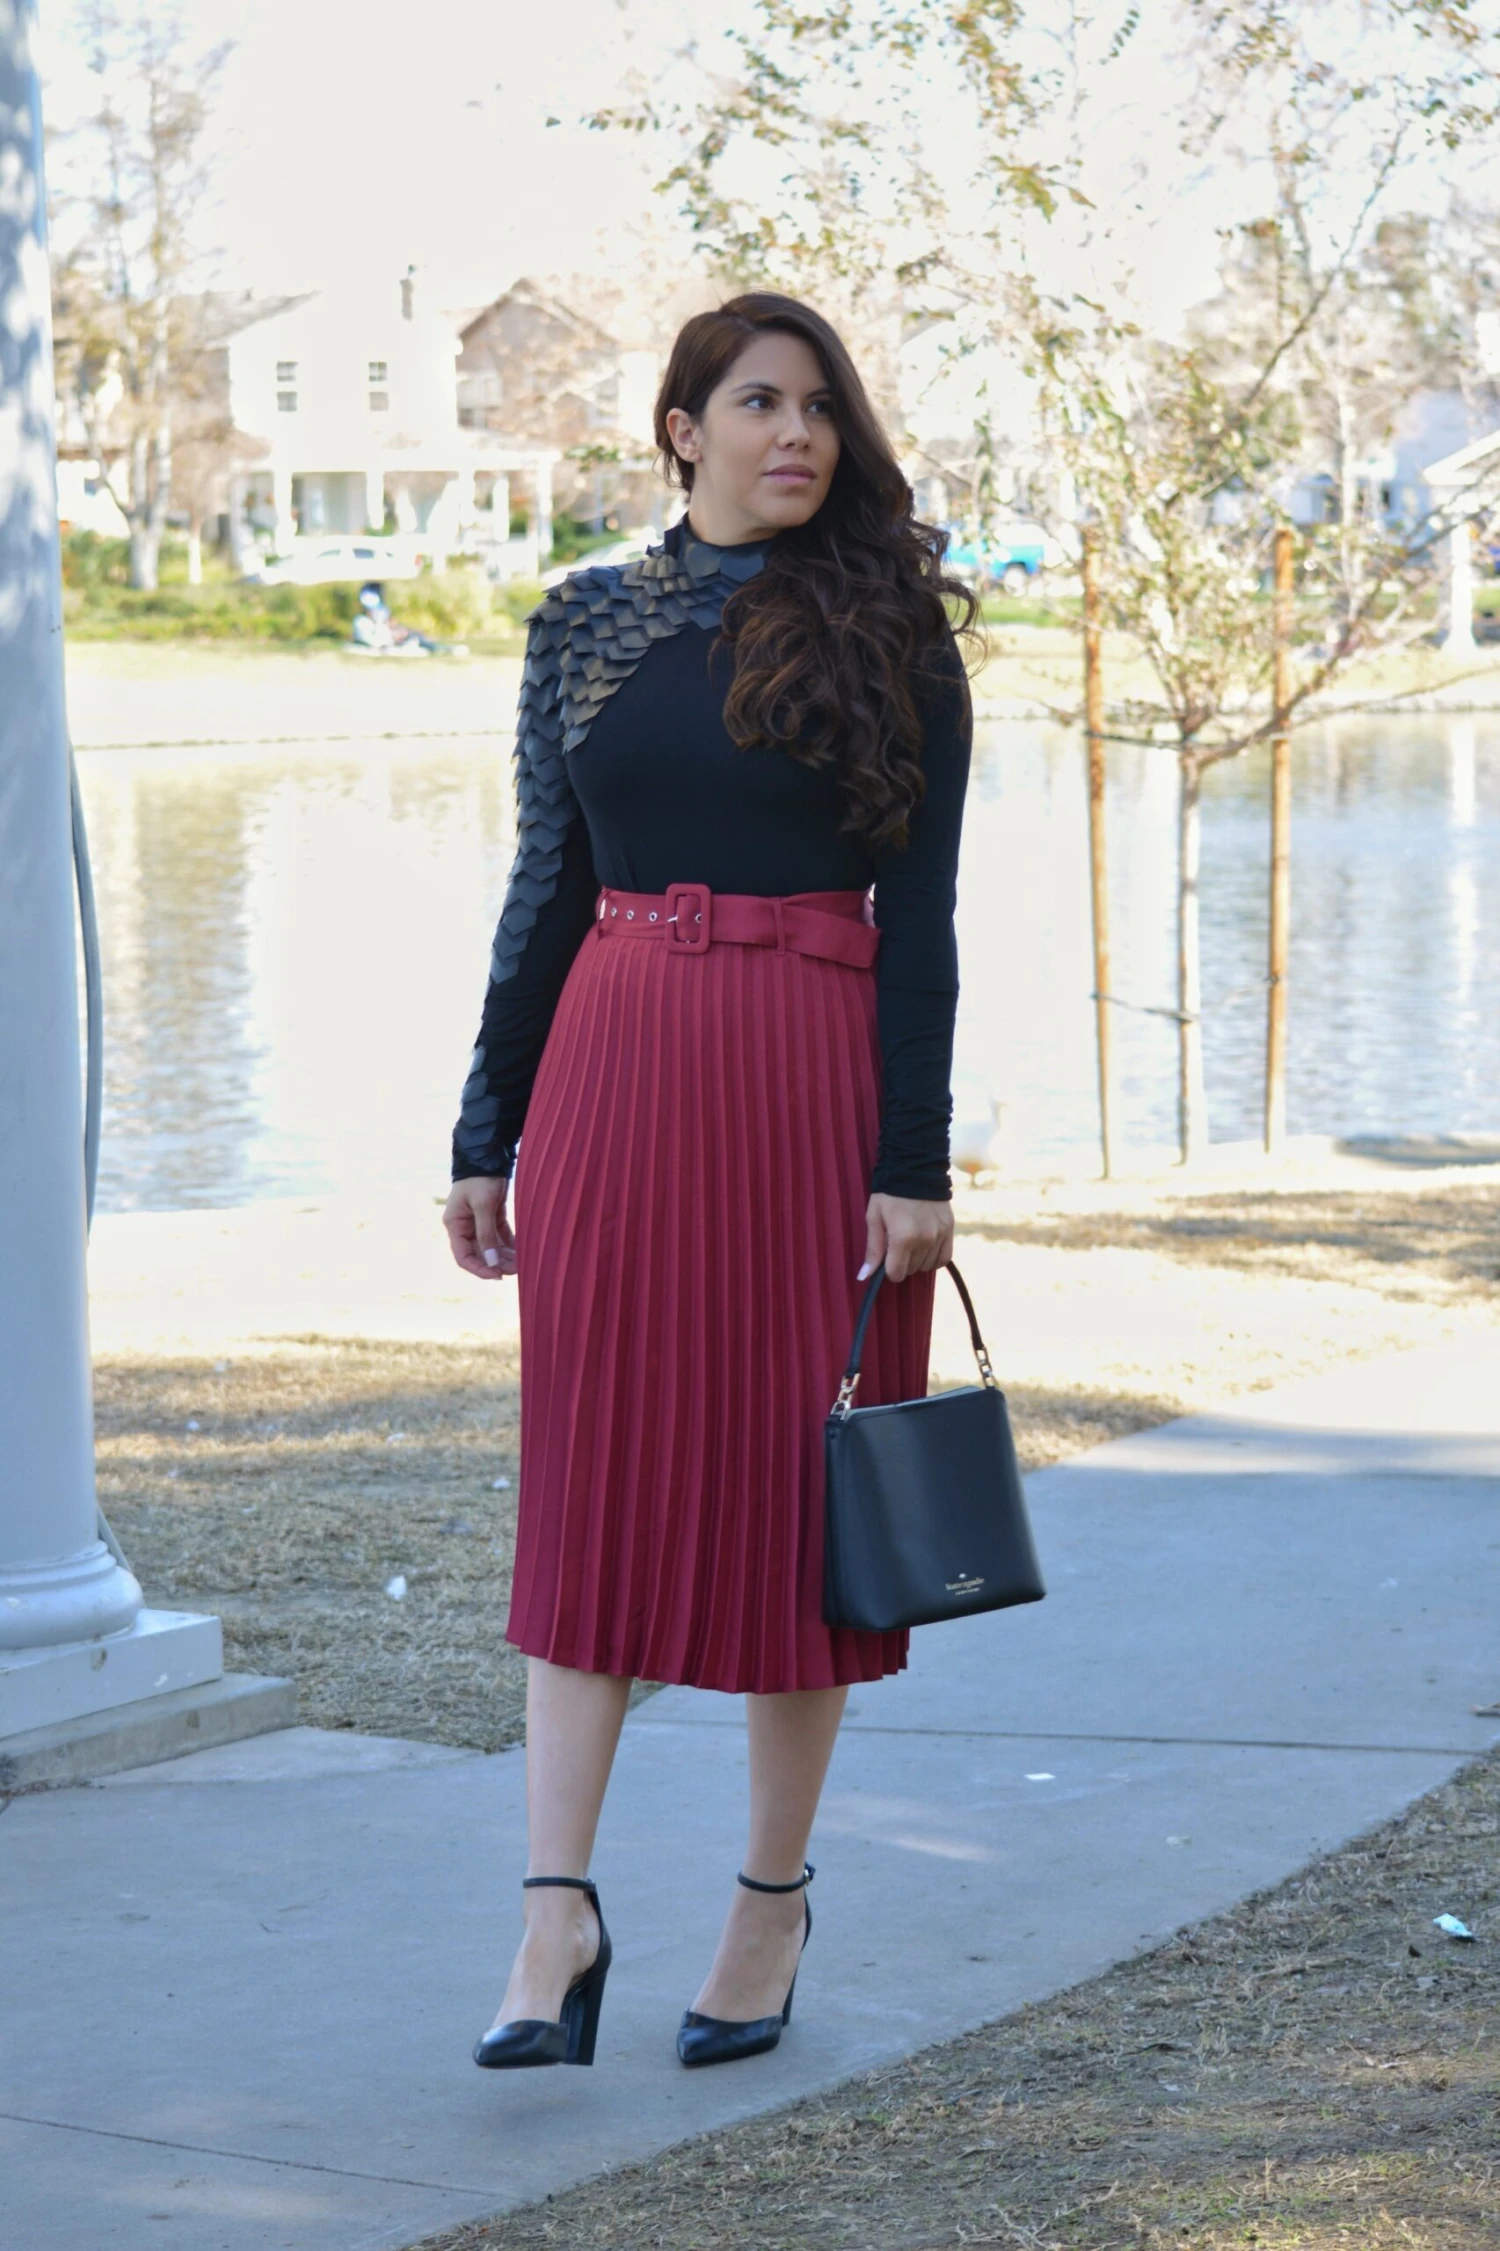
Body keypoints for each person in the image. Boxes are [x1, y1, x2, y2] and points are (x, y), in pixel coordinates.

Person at [443, 291, 976, 2074]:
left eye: (819, 405)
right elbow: (543, 881)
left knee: (798, 1503)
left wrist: (913, 1162)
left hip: (813, 1086)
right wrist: (485, 1128)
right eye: (758, 401)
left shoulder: (891, 625)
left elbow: (925, 923)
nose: (796, 433)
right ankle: (554, 1910)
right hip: (614, 1073)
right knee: (590, 1479)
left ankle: (768, 1902)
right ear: (683, 428)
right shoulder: (584, 620)